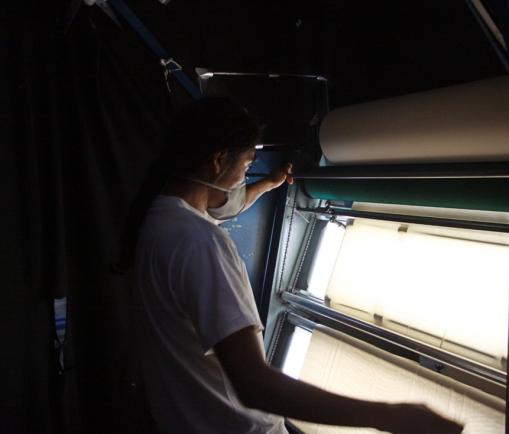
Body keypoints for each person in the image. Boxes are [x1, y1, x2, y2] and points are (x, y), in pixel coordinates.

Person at [131, 97, 463, 434]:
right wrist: (389, 416)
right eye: (245, 167)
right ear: (218, 161)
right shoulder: (201, 243)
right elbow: (254, 386)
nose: (242, 179)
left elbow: (225, 208)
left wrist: (267, 184)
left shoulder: (159, 220)